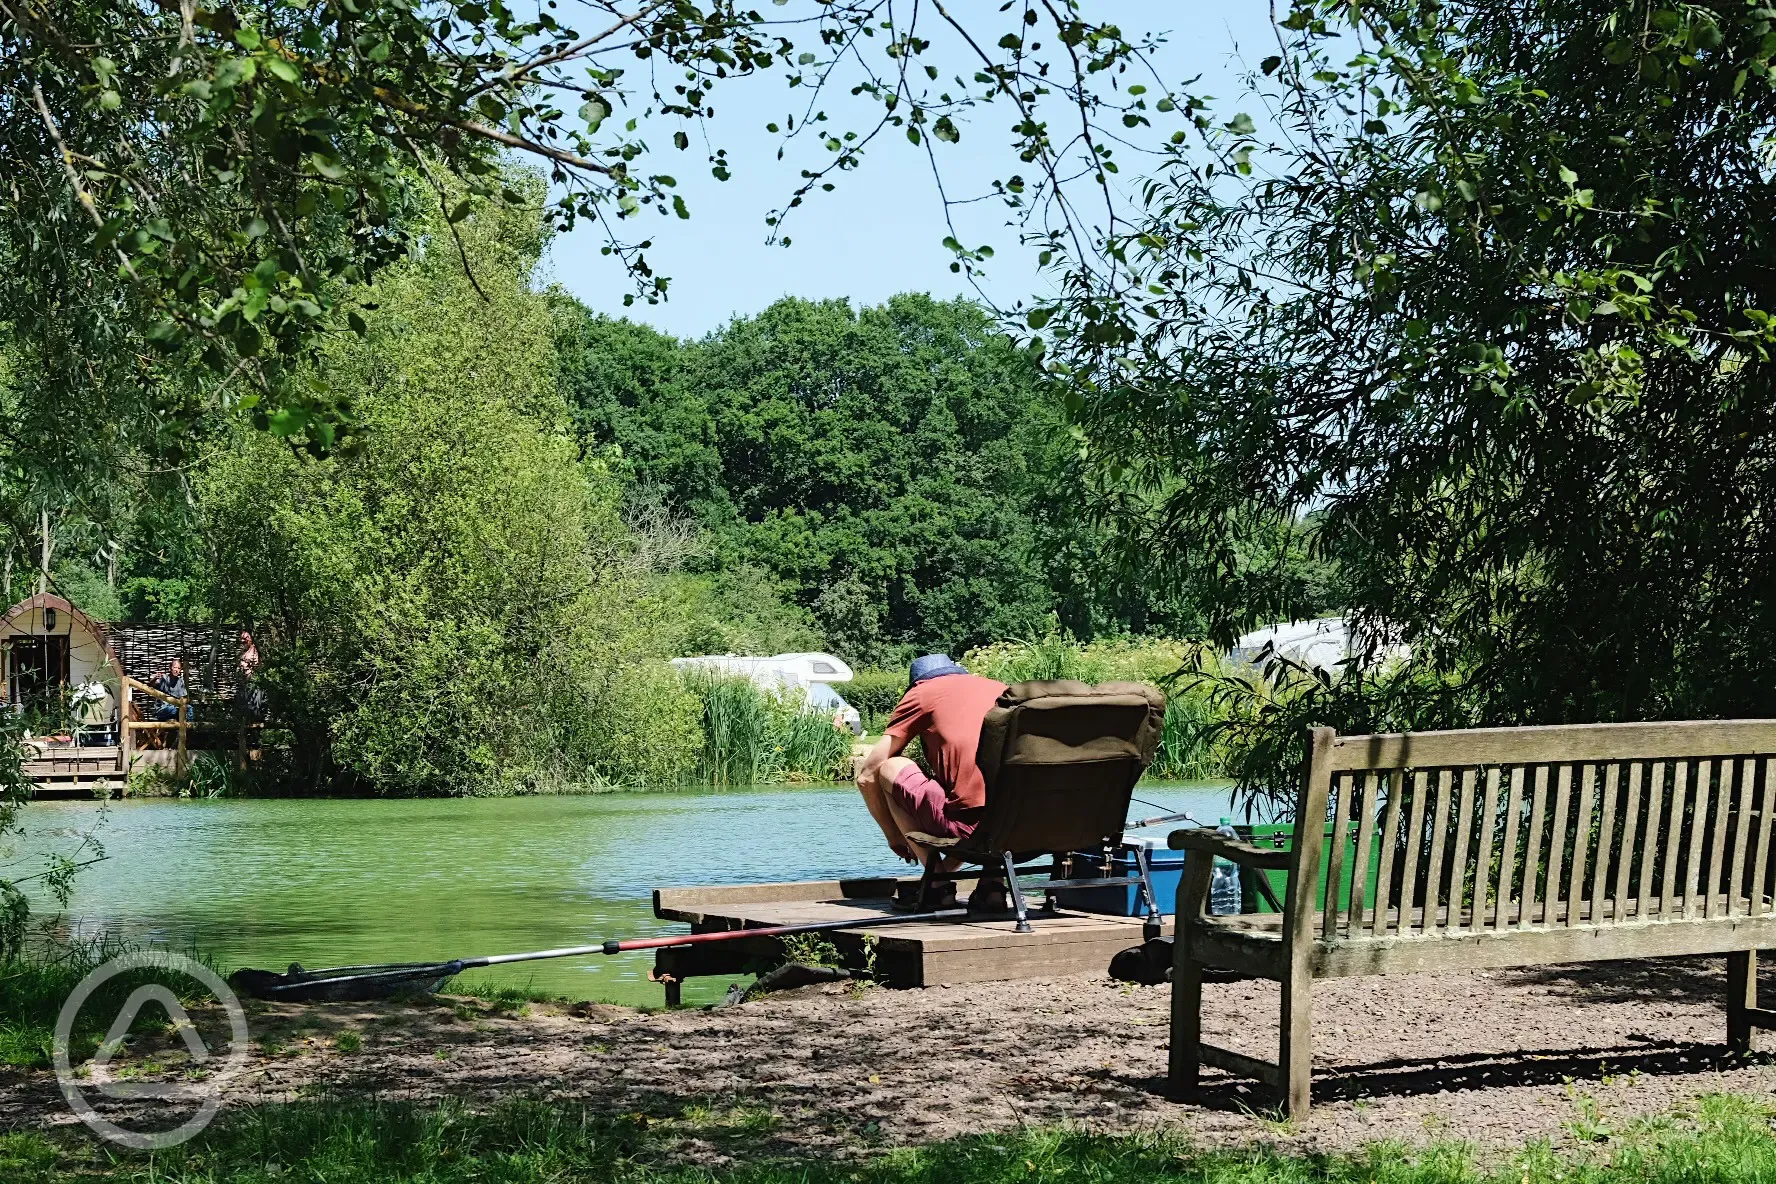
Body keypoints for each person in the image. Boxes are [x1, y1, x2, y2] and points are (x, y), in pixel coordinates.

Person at [854, 654, 1007, 871]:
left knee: (890, 767)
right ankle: (991, 887)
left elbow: (867, 776)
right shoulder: (1001, 690)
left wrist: (894, 837)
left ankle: (937, 884)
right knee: (990, 793)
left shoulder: (922, 693)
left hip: (966, 829)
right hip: (1022, 827)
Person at [148, 658, 186, 722]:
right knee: (175, 710)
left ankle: (189, 730)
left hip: (176, 708)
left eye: (179, 668)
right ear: (170, 668)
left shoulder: (180, 681)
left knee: (189, 708)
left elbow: (183, 697)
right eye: (175, 667)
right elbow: (149, 685)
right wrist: (155, 678)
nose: (177, 670)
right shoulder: (163, 678)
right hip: (163, 709)